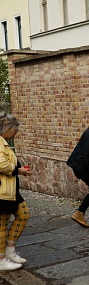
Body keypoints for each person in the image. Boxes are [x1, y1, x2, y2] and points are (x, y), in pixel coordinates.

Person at [0, 113, 31, 271]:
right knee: (2, 224)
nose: (16, 132)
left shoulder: (4, 142)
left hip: (10, 189)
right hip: (2, 190)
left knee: (23, 214)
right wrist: (18, 170)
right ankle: (1, 260)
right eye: (14, 129)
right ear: (6, 128)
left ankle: (10, 252)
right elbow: (1, 165)